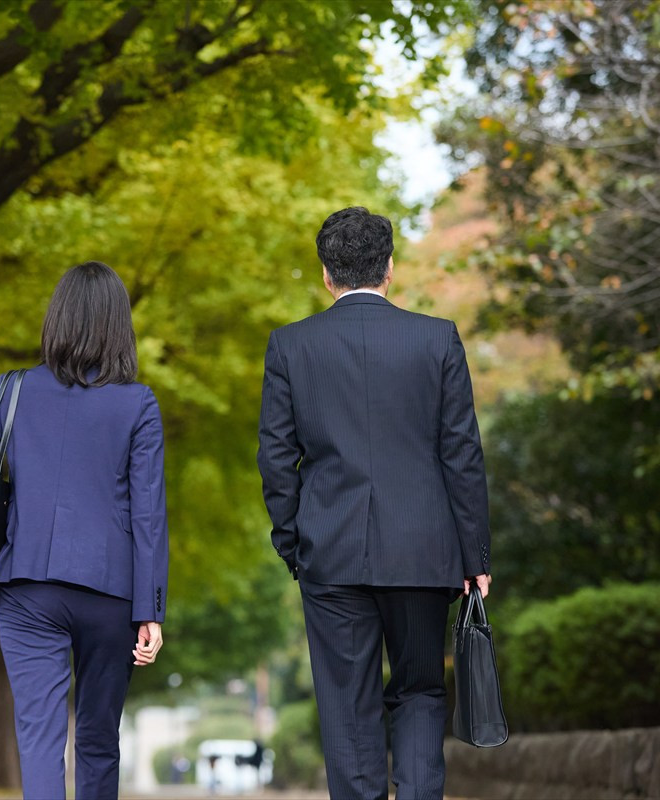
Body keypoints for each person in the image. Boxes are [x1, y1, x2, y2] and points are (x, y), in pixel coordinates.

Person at [256, 207, 492, 800]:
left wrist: (294, 544)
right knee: (418, 692)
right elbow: (461, 454)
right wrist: (475, 555)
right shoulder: (437, 338)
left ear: (326, 272)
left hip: (328, 553)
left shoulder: (289, 346)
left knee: (347, 704)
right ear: (389, 268)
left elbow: (277, 461)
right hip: (423, 549)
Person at [0, 261, 169, 800]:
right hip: (111, 593)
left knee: (39, 738)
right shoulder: (138, 404)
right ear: (118, 325)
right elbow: (148, 514)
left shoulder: (12, 391)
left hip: (27, 585)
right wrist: (150, 609)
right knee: (100, 739)